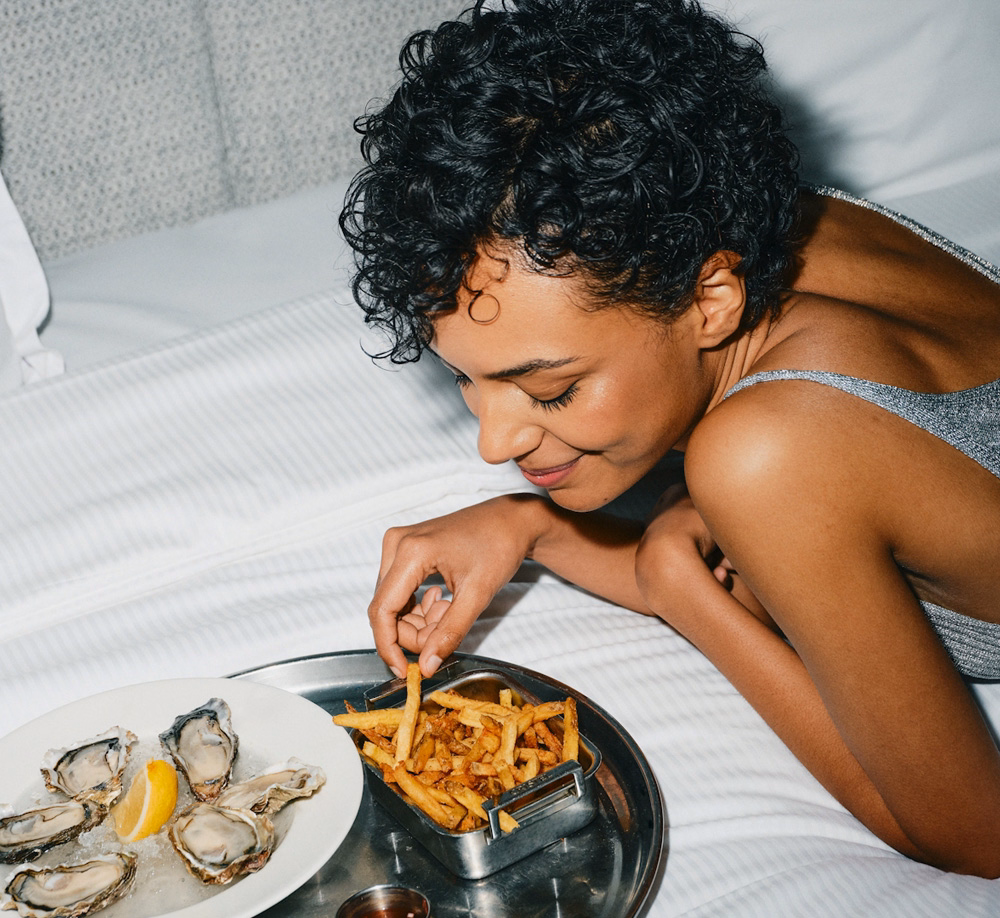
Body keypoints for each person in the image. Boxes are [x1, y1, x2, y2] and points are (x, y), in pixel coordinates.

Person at [339, 0, 1000, 877]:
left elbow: (976, 837)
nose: (493, 442)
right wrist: (528, 525)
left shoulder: (765, 454)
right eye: (466, 377)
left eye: (551, 388)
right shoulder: (783, 226)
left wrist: (680, 589)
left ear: (709, 301)